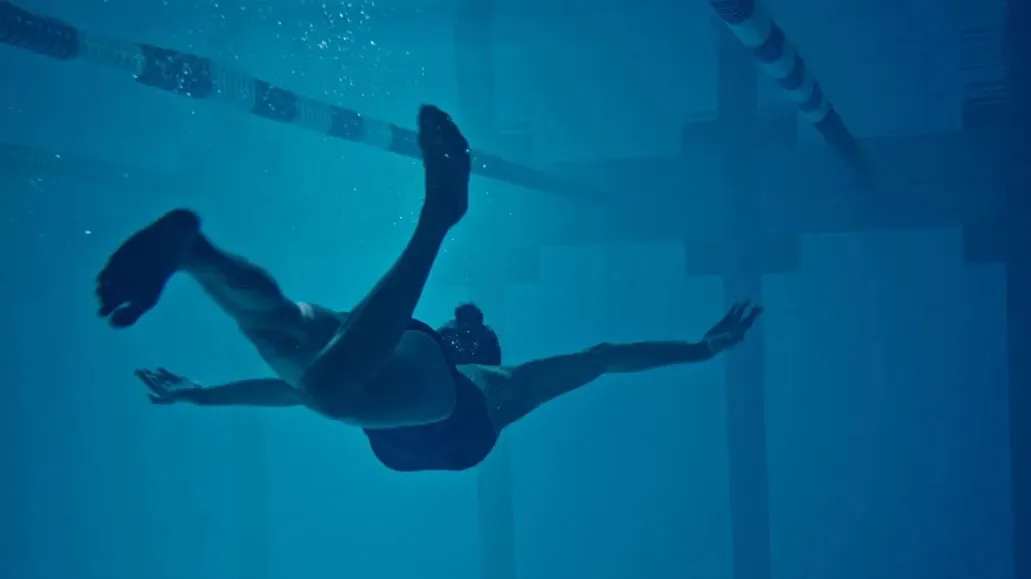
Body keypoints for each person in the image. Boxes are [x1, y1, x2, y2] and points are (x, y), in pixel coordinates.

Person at [99, 105, 763, 472]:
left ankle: (195, 255)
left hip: (382, 343)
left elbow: (281, 393)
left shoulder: (452, 370)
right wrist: (698, 350)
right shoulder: (504, 385)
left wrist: (204, 395)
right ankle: (438, 218)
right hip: (429, 391)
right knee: (325, 389)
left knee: (282, 330)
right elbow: (606, 358)